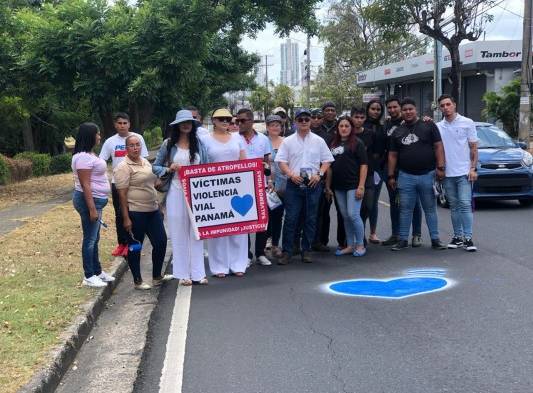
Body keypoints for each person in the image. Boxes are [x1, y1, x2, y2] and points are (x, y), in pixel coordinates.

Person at [153, 110, 209, 285]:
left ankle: (199, 273)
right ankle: (183, 273)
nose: (186, 125)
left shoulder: (199, 144)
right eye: (183, 122)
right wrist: (169, 169)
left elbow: (208, 166)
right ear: (177, 125)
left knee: (196, 231)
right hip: (176, 190)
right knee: (178, 231)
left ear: (193, 125)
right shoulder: (168, 144)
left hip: (196, 192)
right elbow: (155, 166)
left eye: (189, 122)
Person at [275, 108, 334, 265]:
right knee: (291, 218)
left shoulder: (318, 140)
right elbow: (281, 161)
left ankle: (306, 250)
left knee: (310, 218)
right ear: (295, 121)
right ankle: (287, 251)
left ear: (310, 121)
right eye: (300, 119)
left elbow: (327, 160)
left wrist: (319, 174)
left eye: (306, 119)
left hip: (313, 184)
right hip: (295, 183)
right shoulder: (287, 141)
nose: (303, 122)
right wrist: (291, 174)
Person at [387, 98, 447, 251]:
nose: (408, 112)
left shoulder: (428, 125)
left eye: (410, 109)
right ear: (402, 111)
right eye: (405, 110)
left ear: (416, 110)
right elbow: (392, 155)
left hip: (428, 174)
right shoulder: (398, 131)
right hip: (405, 176)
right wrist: (391, 176)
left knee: (430, 209)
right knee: (405, 209)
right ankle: (402, 240)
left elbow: (438, 146)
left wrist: (441, 167)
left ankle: (435, 239)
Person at [114, 135, 169, 290]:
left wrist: (168, 174)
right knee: (135, 247)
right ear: (126, 148)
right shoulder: (123, 167)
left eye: (138, 145)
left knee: (161, 241)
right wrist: (126, 218)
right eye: (131, 145)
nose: (135, 148)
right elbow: (122, 195)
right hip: (135, 212)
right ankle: (137, 280)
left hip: (152, 210)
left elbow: (154, 184)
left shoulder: (145, 162)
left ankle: (157, 276)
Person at [200, 108, 248, 277]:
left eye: (228, 119)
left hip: (237, 187)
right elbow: (202, 164)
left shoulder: (237, 138)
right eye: (221, 119)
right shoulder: (204, 140)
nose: (225, 121)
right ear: (213, 121)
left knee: (238, 227)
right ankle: (219, 266)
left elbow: (244, 162)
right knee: (218, 229)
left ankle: (238, 264)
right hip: (215, 189)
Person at [99, 113, 149, 257]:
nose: (122, 125)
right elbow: (102, 161)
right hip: (118, 183)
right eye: (119, 123)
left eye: (125, 123)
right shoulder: (110, 142)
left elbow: (144, 159)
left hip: (136, 183)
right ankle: (122, 243)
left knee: (135, 213)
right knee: (120, 214)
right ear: (115, 125)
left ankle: (134, 242)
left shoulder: (137, 138)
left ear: (129, 124)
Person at [72, 123, 115, 288]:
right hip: (88, 200)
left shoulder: (89, 154)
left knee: (95, 238)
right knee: (90, 239)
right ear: (90, 136)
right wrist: (91, 209)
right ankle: (88, 275)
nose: (99, 137)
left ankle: (98, 271)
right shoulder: (83, 157)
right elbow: (85, 185)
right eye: (97, 134)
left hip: (97, 200)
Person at [437, 94, 478, 251]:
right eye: (442, 105)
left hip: (464, 172)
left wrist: (473, 168)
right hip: (447, 173)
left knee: (465, 204)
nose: (446, 107)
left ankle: (468, 238)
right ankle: (457, 237)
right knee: (453, 206)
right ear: (440, 108)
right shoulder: (438, 126)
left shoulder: (467, 123)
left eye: (448, 104)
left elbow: (474, 147)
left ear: (454, 105)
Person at [381, 96, 423, 247]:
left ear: (401, 107)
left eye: (395, 107)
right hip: (390, 169)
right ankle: (396, 234)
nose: (392, 110)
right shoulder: (386, 124)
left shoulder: (411, 123)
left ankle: (416, 234)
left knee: (414, 203)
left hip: (409, 169)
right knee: (394, 202)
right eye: (389, 108)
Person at [325, 116, 368, 257]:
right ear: (337, 128)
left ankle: (360, 244)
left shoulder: (357, 143)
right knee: (345, 216)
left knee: (353, 214)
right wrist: (328, 186)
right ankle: (350, 245)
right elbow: (329, 167)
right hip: (338, 187)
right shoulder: (332, 143)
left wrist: (361, 186)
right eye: (341, 126)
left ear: (351, 128)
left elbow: (364, 165)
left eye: (347, 126)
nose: (344, 128)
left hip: (353, 185)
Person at [236, 108, 272, 266]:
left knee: (262, 219)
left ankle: (260, 252)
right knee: (243, 220)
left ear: (251, 121)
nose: (239, 124)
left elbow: (267, 162)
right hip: (240, 185)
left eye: (242, 121)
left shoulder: (263, 139)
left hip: (259, 185)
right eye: (237, 121)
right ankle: (246, 254)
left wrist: (270, 180)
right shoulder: (234, 139)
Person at [312, 101, 338, 252]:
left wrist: (327, 185)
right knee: (309, 213)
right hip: (307, 178)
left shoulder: (327, 137)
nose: (315, 120)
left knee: (324, 211)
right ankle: (308, 240)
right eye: (312, 117)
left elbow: (328, 161)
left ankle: (322, 240)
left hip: (326, 176)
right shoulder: (303, 134)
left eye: (318, 117)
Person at [351, 107, 376, 245]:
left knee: (368, 205)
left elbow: (376, 153)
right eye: (356, 117)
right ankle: (354, 238)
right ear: (351, 117)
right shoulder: (346, 133)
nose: (359, 120)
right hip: (350, 176)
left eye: (362, 117)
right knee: (351, 210)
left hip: (368, 175)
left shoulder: (371, 134)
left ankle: (362, 231)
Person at [364, 99, 385, 244]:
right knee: (362, 203)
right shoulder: (360, 125)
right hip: (362, 168)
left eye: (378, 109)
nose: (375, 111)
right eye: (373, 108)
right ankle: (360, 233)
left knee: (373, 202)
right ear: (368, 110)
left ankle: (373, 233)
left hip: (378, 169)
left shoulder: (383, 127)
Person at [265, 114, 286, 259]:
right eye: (272, 125)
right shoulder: (263, 142)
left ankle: (275, 244)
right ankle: (265, 241)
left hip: (283, 184)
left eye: (277, 125)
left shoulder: (286, 142)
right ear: (267, 127)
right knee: (267, 215)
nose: (275, 127)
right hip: (267, 183)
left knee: (278, 215)